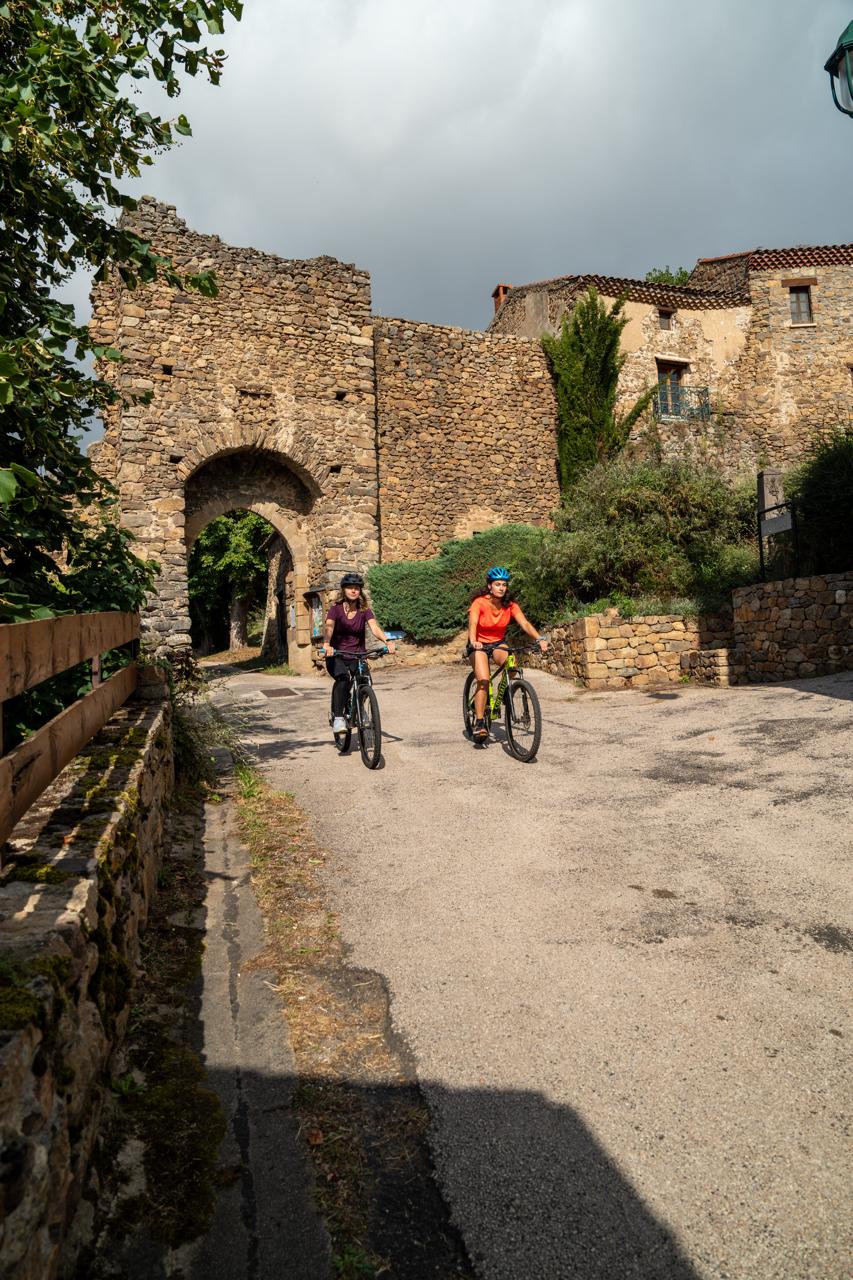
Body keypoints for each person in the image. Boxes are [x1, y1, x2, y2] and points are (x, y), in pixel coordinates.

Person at [467, 566, 547, 743]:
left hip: (497, 642)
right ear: (490, 586)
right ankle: (479, 722)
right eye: (497, 584)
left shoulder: (510, 605)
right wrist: (474, 641)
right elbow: (472, 625)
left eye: (504, 584)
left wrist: (539, 638)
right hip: (478, 643)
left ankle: (506, 692)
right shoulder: (479, 603)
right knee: (484, 680)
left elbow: (524, 624)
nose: (501, 588)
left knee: (512, 666)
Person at [321, 572, 395, 733]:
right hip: (336, 654)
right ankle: (339, 718)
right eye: (350, 588)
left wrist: (387, 641)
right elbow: (329, 628)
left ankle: (360, 710)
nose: (354, 591)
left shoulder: (365, 611)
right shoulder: (335, 609)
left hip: (357, 654)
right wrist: (327, 644)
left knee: (365, 680)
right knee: (343, 679)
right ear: (344, 590)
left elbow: (374, 628)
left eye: (357, 588)